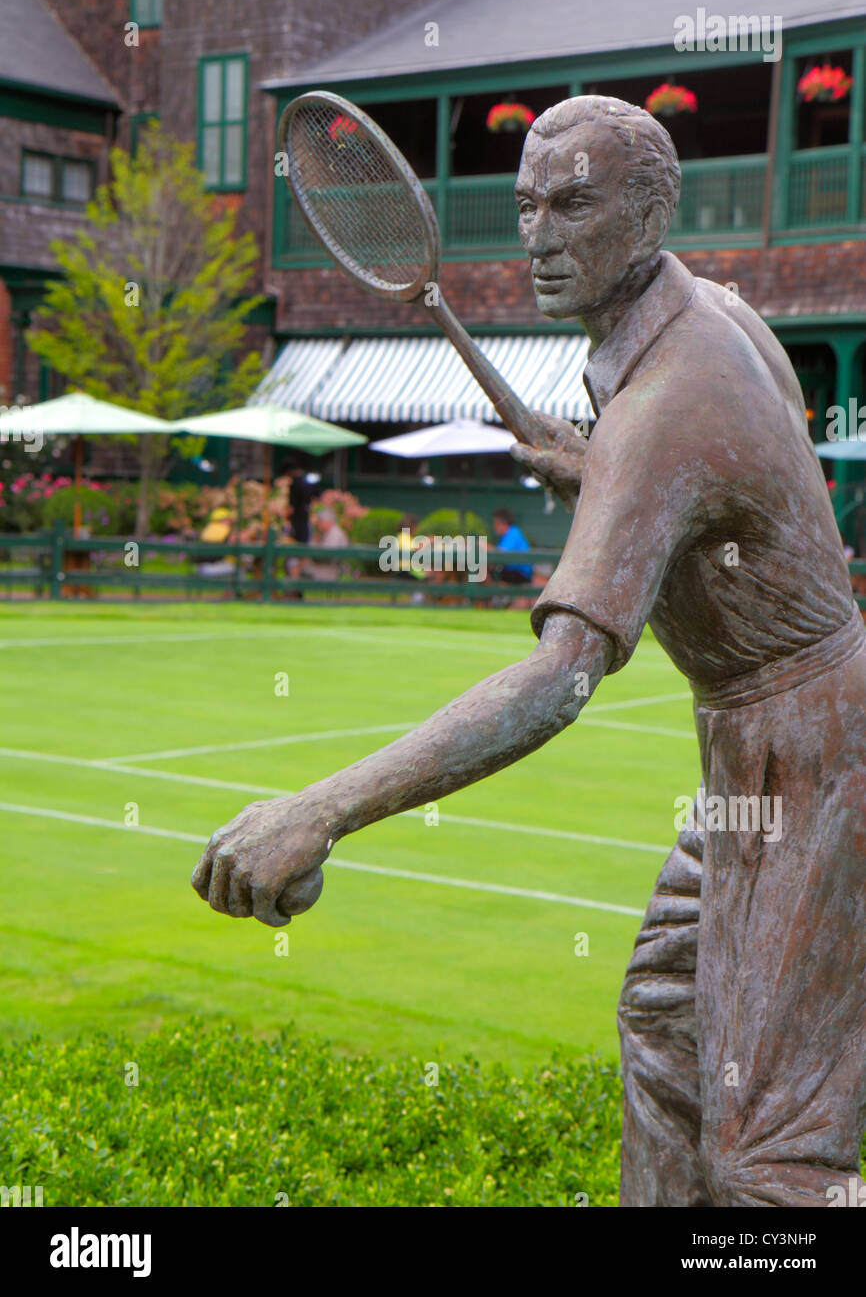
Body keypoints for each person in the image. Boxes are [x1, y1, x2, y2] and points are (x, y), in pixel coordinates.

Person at [192, 95, 866, 1209]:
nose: (537, 233)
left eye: (571, 203)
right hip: (767, 740)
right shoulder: (710, 313)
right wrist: (599, 465)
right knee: (664, 1012)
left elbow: (556, 682)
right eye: (522, 204)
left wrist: (319, 809)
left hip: (810, 757)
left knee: (770, 1164)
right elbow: (766, 444)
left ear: (649, 212)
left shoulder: (660, 403)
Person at [302, 505, 348, 582]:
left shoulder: (335, 533)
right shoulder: (326, 532)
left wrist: (314, 548)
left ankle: (293, 589)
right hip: (323, 566)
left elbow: (327, 555)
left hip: (328, 570)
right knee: (298, 563)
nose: (318, 523)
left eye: (321, 521)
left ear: (328, 521)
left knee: (298, 566)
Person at [491, 508, 533, 584]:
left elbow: (501, 553)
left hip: (520, 574)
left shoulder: (514, 532)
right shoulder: (504, 536)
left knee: (486, 574)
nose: (495, 527)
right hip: (510, 571)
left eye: (496, 523)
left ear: (502, 523)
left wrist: (482, 545)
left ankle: (493, 594)